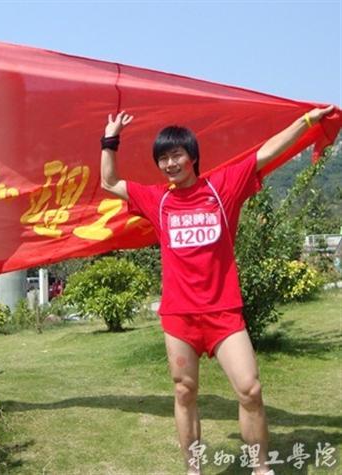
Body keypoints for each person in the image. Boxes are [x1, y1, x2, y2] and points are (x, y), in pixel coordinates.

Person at [100, 105, 334, 475]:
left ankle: (261, 468)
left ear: (192, 156)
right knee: (184, 391)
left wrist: (306, 122)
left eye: (176, 155)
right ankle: (193, 469)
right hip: (180, 317)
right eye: (163, 158)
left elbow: (266, 153)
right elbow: (109, 182)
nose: (170, 164)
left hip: (224, 313)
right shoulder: (157, 198)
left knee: (250, 390)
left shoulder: (221, 186)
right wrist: (109, 140)